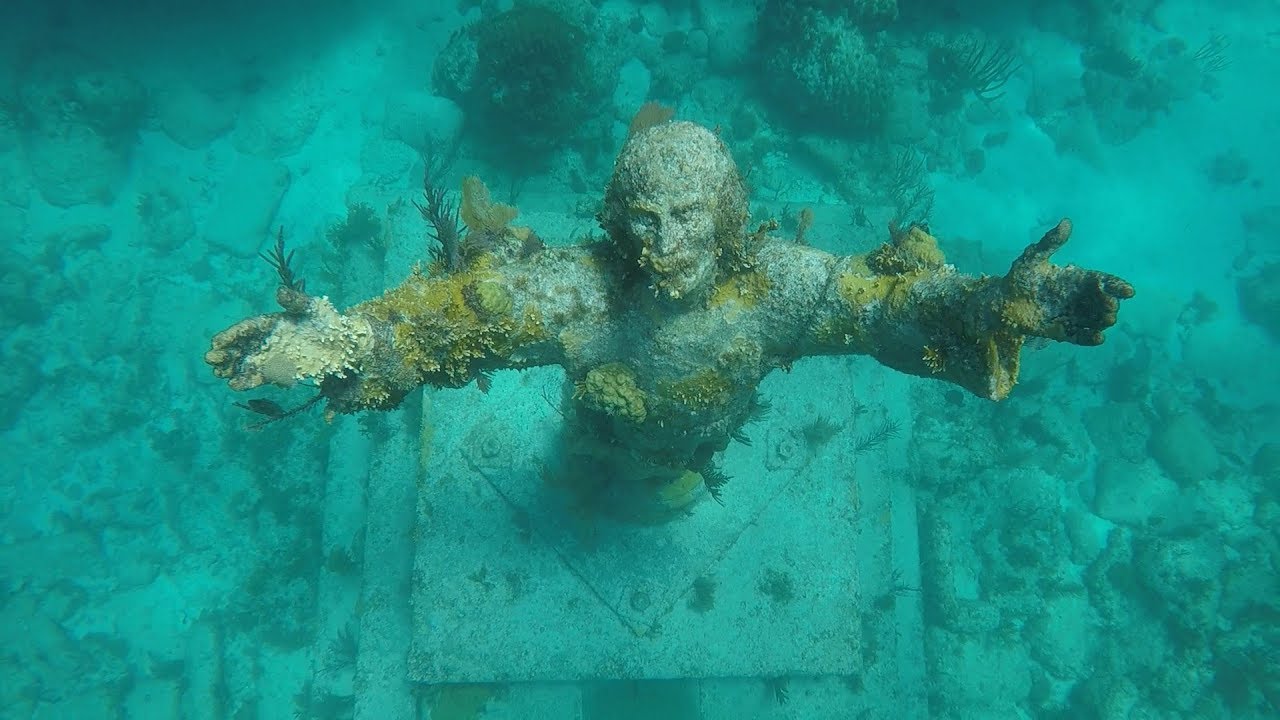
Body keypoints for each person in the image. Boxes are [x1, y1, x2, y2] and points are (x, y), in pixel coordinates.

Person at [206, 120, 1133, 509]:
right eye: (642, 219)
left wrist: (989, 306)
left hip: (696, 446)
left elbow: (886, 305)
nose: (663, 245)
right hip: (594, 442)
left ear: (727, 215)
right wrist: (335, 341)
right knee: (594, 484)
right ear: (617, 217)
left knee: (670, 493)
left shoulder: (782, 286)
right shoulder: (575, 291)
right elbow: (450, 320)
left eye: (688, 218)